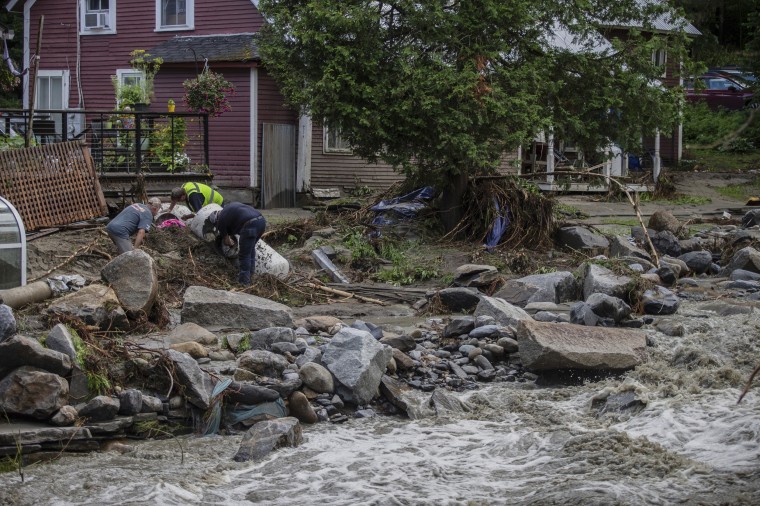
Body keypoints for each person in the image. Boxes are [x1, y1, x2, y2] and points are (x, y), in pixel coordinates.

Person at [212, 202, 266, 285]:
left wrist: (230, 243)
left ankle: (244, 282)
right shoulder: (228, 209)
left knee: (244, 255)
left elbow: (227, 241)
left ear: (216, 219)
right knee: (250, 250)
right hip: (261, 222)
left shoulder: (220, 220)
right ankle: (251, 275)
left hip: (250, 225)